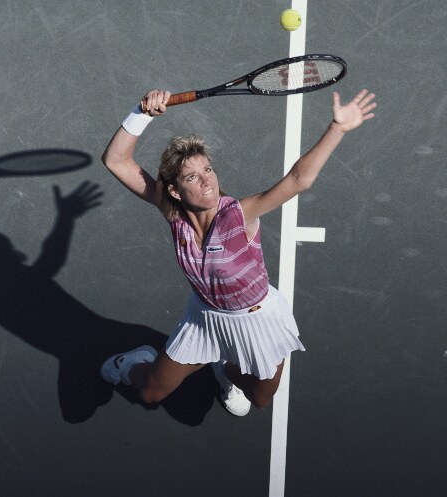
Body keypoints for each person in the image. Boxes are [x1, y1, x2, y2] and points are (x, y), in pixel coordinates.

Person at [100, 88, 376, 416]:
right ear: (174, 190)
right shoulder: (173, 213)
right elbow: (116, 160)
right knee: (150, 392)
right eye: (192, 177)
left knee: (259, 398)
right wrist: (142, 113)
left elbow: (299, 179)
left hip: (257, 318)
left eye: (208, 170)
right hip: (205, 317)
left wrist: (337, 129)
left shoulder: (239, 214)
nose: (206, 181)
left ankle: (225, 371)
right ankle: (131, 363)